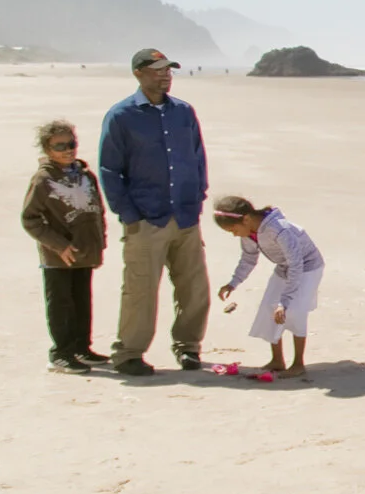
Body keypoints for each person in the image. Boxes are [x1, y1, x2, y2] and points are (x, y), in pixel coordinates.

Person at [99, 48, 210, 376]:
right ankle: (129, 353)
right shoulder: (121, 116)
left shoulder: (184, 112)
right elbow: (109, 170)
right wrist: (129, 215)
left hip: (186, 216)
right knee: (140, 290)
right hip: (146, 218)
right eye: (158, 70)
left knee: (194, 288)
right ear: (138, 73)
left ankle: (188, 347)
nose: (165, 75)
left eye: (169, 70)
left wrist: (198, 198)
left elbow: (197, 157)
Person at [20, 120, 108, 374]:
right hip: (58, 257)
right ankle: (61, 353)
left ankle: (81, 348)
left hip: (84, 251)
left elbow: (97, 212)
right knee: (61, 304)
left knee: (82, 300)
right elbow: (30, 219)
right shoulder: (43, 179)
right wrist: (59, 245)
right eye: (60, 146)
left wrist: (98, 244)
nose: (68, 150)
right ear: (47, 149)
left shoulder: (86, 176)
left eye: (71, 144)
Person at [213, 196, 324, 378]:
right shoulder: (249, 233)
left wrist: (285, 301)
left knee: (294, 311)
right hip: (284, 267)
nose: (234, 234)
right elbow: (249, 259)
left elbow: (297, 264)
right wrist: (233, 283)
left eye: (233, 229)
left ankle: (298, 364)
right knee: (269, 308)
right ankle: (277, 360)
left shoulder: (279, 230)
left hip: (307, 267)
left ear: (246, 219)